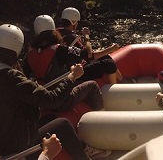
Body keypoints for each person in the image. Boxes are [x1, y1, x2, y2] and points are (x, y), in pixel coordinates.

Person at [0, 24, 110, 159]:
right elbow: (52, 100)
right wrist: (72, 77)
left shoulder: (30, 56)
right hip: (14, 145)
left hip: (9, 137)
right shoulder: (12, 78)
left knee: (51, 119)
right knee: (62, 124)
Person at [24, 15, 104, 111]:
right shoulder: (60, 50)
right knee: (92, 85)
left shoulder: (29, 55)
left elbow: (26, 77)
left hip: (43, 99)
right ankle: (101, 114)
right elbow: (88, 54)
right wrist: (86, 37)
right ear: (53, 31)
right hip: (62, 99)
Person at [58, 7, 121, 84]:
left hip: (70, 67)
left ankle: (121, 80)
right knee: (109, 64)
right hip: (77, 72)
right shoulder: (71, 37)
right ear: (73, 22)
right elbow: (89, 55)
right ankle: (115, 90)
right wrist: (86, 36)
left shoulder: (57, 33)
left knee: (105, 57)